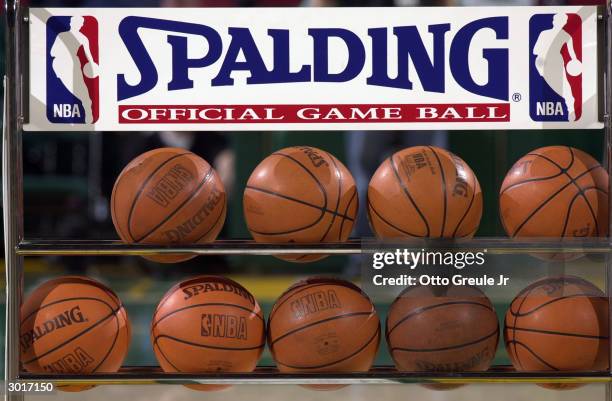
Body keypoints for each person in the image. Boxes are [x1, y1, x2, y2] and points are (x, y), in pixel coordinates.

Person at [50, 16, 98, 124]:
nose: (79, 25)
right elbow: (52, 52)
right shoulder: (62, 35)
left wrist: (93, 66)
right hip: (60, 65)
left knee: (84, 95)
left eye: (80, 23)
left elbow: (88, 56)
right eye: (77, 23)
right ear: (71, 23)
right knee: (77, 94)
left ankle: (88, 119)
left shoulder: (83, 38)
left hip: (73, 66)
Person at [533, 13, 580, 121]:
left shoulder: (565, 35)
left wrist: (574, 61)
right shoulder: (545, 34)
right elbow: (536, 52)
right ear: (554, 21)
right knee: (547, 89)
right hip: (544, 64)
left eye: (563, 21)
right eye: (559, 21)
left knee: (565, 89)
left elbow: (572, 53)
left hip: (558, 64)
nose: (561, 23)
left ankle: (570, 113)